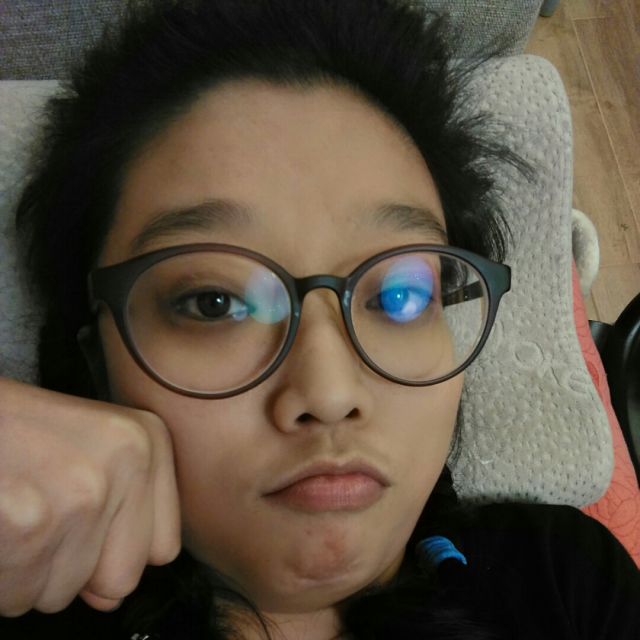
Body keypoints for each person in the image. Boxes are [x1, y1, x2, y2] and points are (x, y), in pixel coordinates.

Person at [0, 1, 638, 638]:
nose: (330, 395)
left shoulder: (565, 580)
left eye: (401, 296)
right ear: (95, 359)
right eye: (215, 302)